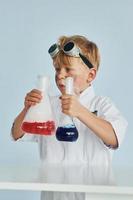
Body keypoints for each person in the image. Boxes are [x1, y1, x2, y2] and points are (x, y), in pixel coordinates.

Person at [11, 35, 128, 200]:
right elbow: (17, 133)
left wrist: (80, 111)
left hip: (94, 195)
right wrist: (27, 109)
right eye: (57, 69)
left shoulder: (102, 105)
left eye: (68, 70)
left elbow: (114, 138)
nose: (60, 75)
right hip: (54, 195)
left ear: (91, 75)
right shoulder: (49, 105)